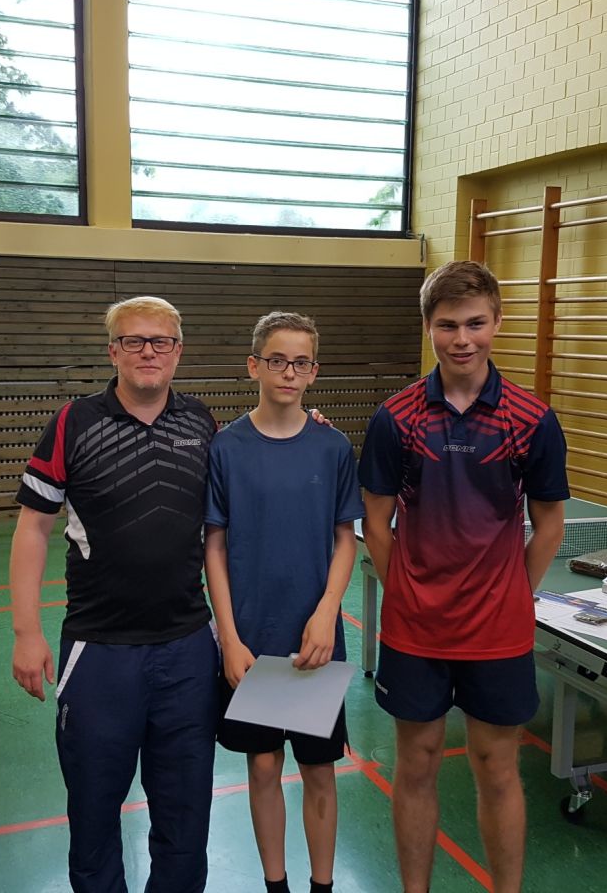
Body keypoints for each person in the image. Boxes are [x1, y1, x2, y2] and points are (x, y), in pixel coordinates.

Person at [358, 260, 569, 893]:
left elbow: (549, 525)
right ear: (429, 326)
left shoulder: (532, 419)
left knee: (496, 768)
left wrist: (513, 595)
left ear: (497, 322)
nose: (462, 339)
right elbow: (376, 522)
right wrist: (406, 594)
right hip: (415, 632)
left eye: (476, 323)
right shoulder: (395, 418)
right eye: (448, 325)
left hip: (498, 633)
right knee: (416, 764)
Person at [9, 296, 220, 893]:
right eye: (134, 341)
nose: (148, 351)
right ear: (113, 351)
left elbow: (256, 466)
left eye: (161, 341)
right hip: (99, 650)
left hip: (187, 648)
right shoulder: (73, 423)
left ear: (178, 351)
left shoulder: (202, 423)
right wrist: (26, 631)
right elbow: (33, 529)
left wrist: (310, 423)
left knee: (185, 813)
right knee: (94, 811)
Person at [203, 312, 363, 893]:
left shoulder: (332, 446)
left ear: (314, 372)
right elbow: (214, 545)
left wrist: (327, 612)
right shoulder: (226, 447)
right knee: (264, 765)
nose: (288, 372)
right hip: (252, 641)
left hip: (316, 641)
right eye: (277, 360)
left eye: (300, 362)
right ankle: (276, 885)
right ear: (255, 366)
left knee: (319, 772)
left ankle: (322, 885)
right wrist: (229, 637)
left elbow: (346, 538)